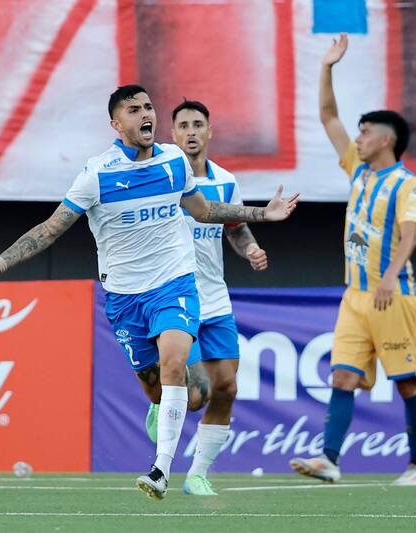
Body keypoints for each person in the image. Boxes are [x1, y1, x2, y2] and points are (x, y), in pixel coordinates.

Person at [0, 85, 299, 500]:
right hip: (124, 298)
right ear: (117, 125)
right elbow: (50, 228)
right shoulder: (97, 174)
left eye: (148, 107)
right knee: (171, 392)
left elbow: (204, 211)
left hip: (174, 282)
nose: (145, 114)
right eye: (133, 110)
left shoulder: (174, 161)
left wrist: (265, 213)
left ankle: (161, 470)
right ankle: (160, 406)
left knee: (178, 366)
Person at [289, 34, 416, 486]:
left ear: (386, 139)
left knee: (406, 383)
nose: (358, 136)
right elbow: (328, 116)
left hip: (394, 296)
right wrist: (328, 66)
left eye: (366, 131)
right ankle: (329, 460)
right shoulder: (358, 169)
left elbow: (410, 233)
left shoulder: (407, 183)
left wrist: (389, 274)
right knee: (343, 378)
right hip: (356, 296)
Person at [142, 100, 269, 497]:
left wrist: (249, 248)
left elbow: (235, 228)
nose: (192, 131)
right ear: (173, 134)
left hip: (214, 298)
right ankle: (161, 402)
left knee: (227, 387)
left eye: (199, 124)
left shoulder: (225, 182)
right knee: (195, 396)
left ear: (210, 132)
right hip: (174, 294)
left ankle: (198, 474)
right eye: (183, 126)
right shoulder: (159, 177)